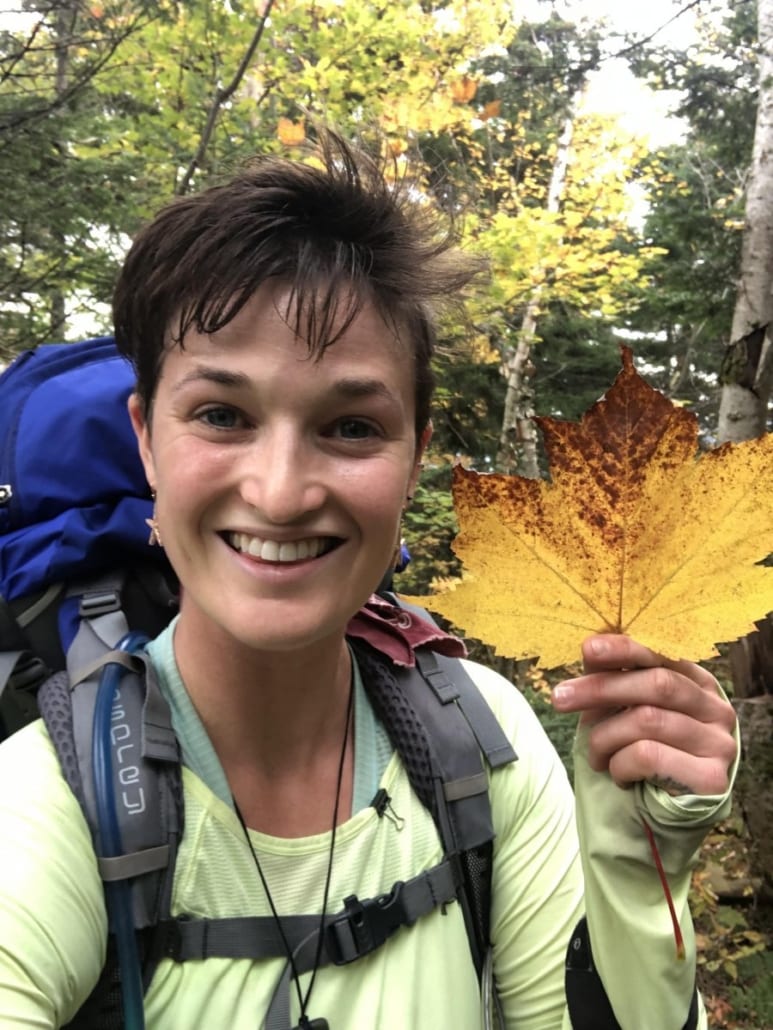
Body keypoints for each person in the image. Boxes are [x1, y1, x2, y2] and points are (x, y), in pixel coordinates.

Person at [0, 132, 738, 1029]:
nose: (279, 492)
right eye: (222, 415)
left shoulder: (480, 736)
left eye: (350, 427)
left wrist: (632, 865)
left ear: (416, 456)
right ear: (147, 437)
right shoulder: (50, 802)